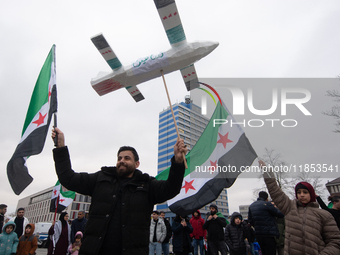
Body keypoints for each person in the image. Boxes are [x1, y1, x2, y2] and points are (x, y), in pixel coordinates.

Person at [51, 127, 187, 255]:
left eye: (127, 158)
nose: (122, 161)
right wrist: (60, 147)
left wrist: (178, 161)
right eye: (119, 158)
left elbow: (171, 188)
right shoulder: (100, 178)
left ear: (137, 163)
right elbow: (68, 178)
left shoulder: (147, 184)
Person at [261, 160, 340, 254]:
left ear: (311, 194)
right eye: (299, 192)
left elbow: (335, 242)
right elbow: (275, 191)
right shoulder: (290, 208)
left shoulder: (324, 214)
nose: (301, 195)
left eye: (305, 192)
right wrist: (267, 173)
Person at [248, 191, 284, 255]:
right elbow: (280, 214)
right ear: (267, 199)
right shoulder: (267, 204)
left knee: (263, 252)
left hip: (259, 234)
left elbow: (250, 220)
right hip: (269, 234)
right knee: (271, 252)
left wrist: (257, 226)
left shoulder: (251, 206)